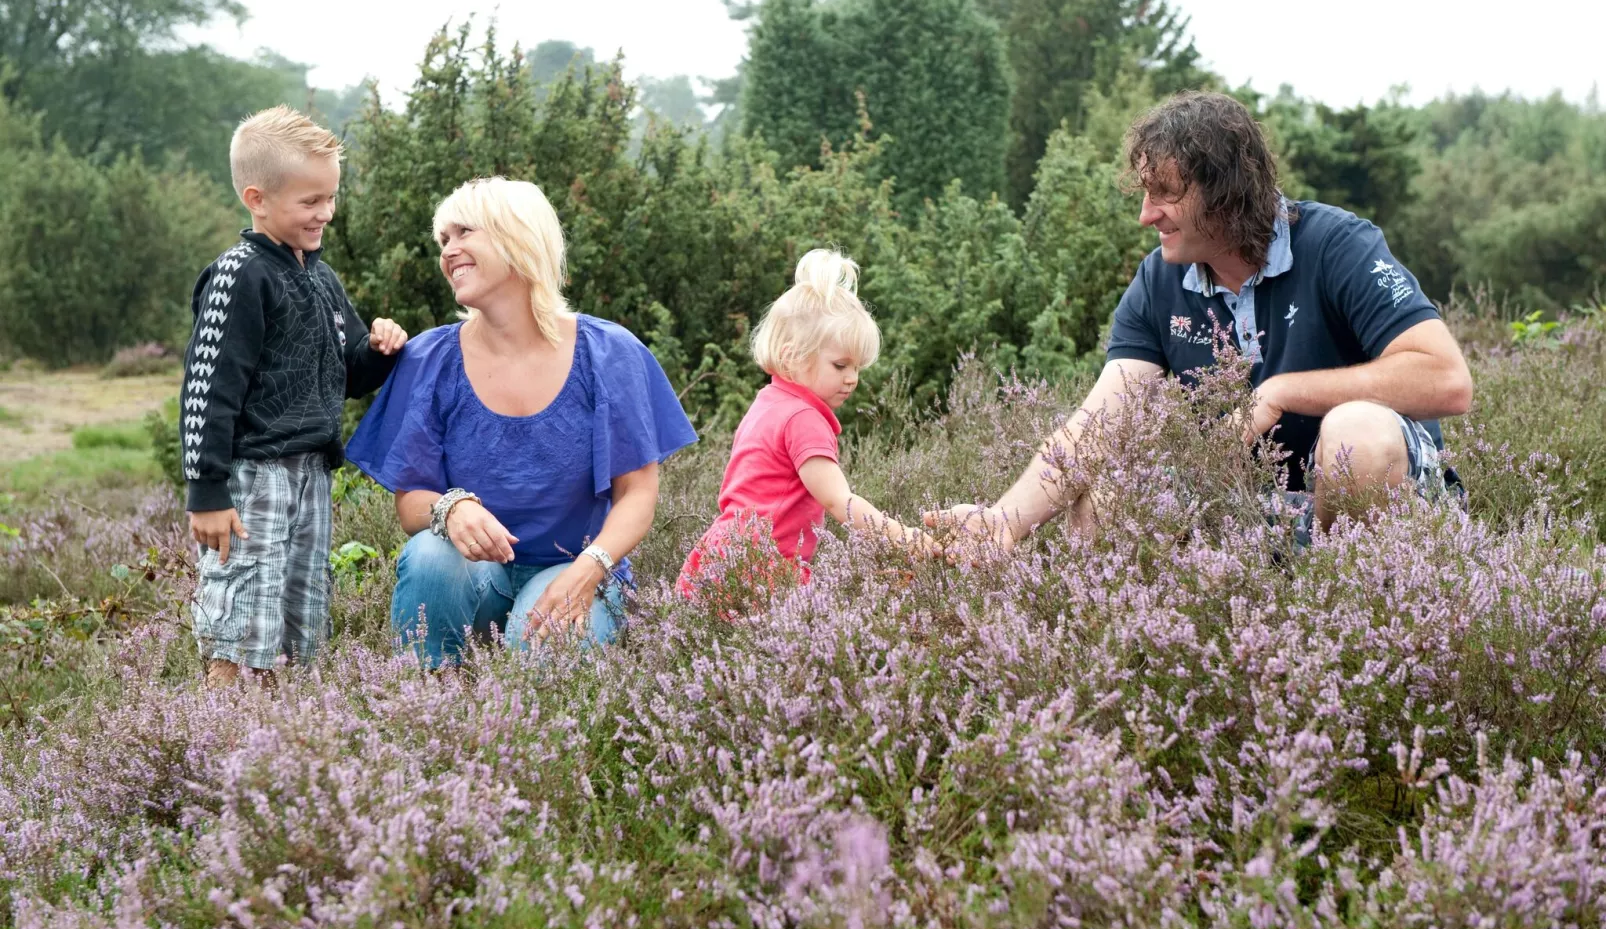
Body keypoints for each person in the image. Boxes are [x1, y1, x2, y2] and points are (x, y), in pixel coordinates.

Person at [926, 90, 1474, 550]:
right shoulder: (1159, 282)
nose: (1146, 214)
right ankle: (1143, 659)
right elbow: (1096, 427)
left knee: (1359, 432)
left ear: (1227, 193)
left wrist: (1281, 391)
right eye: (1145, 193)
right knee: (1110, 492)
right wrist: (1001, 524)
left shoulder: (1337, 245)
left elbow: (1447, 381)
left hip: (1396, 508)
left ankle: (1359, 613)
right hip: (1255, 510)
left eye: (1164, 193)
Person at [346, 176, 697, 668]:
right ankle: (430, 697)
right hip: (475, 572)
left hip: (574, 566)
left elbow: (637, 494)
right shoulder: (430, 358)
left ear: (518, 237)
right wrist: (452, 508)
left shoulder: (609, 353)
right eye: (443, 240)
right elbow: (410, 505)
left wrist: (590, 568)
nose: (449, 251)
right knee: (429, 553)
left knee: (540, 662)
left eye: (465, 232)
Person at [182, 106, 409, 690]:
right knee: (241, 626)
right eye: (310, 201)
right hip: (252, 476)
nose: (326, 212)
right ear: (257, 198)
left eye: (330, 198)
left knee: (296, 629)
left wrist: (381, 350)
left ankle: (277, 756)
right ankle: (217, 742)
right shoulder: (238, 275)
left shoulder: (321, 278)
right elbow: (208, 388)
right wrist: (206, 489)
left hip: (311, 471)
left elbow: (349, 375)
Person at [678, 249, 937, 600]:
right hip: (760, 570)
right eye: (840, 365)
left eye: (857, 367)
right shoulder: (803, 419)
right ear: (791, 355)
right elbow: (838, 501)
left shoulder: (768, 402)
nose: (852, 379)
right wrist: (903, 537)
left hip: (720, 557)